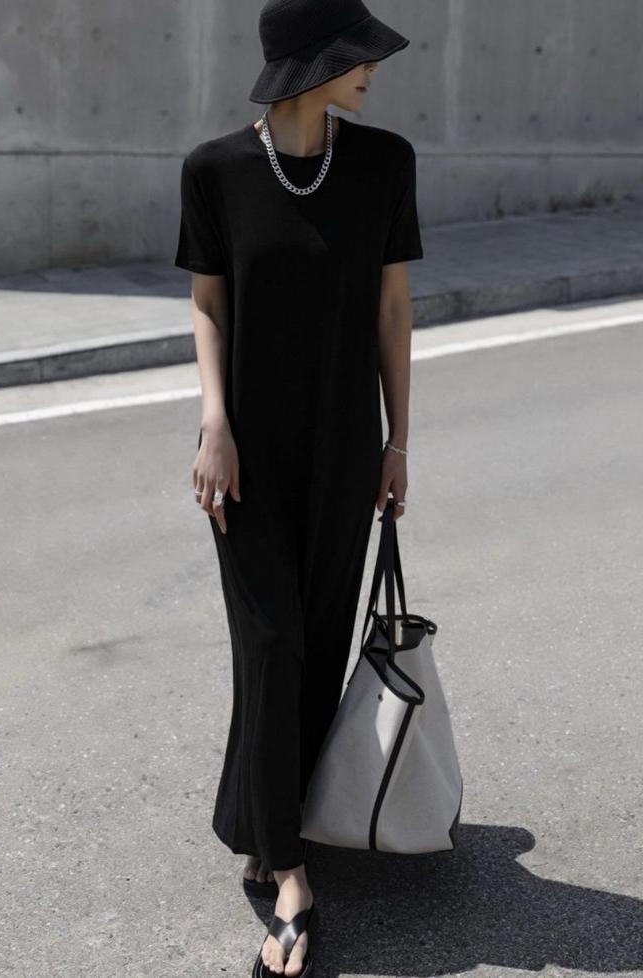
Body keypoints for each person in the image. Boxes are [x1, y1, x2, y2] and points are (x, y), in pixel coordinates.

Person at [174, 1, 423, 973]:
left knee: (314, 643)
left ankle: (270, 818)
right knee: (270, 643)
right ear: (308, 65)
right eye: (356, 57)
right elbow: (208, 304)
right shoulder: (215, 171)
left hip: (345, 447)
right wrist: (214, 421)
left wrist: (399, 441)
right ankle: (289, 873)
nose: (371, 71)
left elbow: (393, 308)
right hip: (244, 454)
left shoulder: (385, 163)